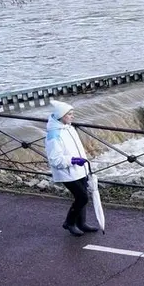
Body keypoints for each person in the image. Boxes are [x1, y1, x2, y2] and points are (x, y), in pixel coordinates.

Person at [45, 100, 97, 237]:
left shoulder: (69, 128)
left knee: (83, 195)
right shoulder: (54, 135)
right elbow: (55, 159)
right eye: (69, 114)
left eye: (72, 113)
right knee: (82, 197)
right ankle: (69, 222)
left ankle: (82, 223)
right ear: (60, 116)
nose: (72, 116)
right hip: (66, 172)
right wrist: (73, 160)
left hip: (79, 169)